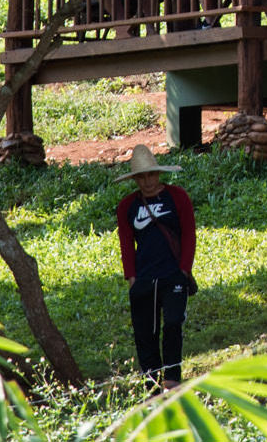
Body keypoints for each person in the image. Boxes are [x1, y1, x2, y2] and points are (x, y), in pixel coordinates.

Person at [114, 144, 196, 392]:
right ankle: (151, 384)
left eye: (151, 175)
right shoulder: (127, 206)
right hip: (144, 278)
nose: (147, 181)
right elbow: (126, 244)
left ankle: (172, 379)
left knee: (172, 324)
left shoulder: (177, 196)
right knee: (145, 333)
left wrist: (184, 270)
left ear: (158, 174)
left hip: (173, 274)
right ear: (135, 179)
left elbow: (189, 235)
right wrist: (131, 278)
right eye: (141, 177)